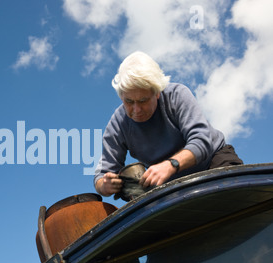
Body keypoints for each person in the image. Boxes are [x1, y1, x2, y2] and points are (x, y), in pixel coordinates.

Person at [94, 51, 243, 198]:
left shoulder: (177, 95)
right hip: (171, 186)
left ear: (157, 93)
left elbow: (202, 141)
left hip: (214, 162)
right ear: (121, 97)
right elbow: (101, 176)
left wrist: (171, 165)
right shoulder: (118, 125)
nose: (136, 110)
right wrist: (105, 185)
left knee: (234, 200)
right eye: (129, 101)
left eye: (143, 101)